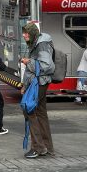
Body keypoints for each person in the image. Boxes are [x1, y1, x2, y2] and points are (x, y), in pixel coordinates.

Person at [20, 22, 55, 159]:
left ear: (33, 33)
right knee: (40, 113)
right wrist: (24, 85)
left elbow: (47, 66)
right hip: (39, 82)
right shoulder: (37, 43)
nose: (24, 35)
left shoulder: (41, 45)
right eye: (24, 32)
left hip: (39, 82)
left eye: (26, 33)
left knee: (29, 110)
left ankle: (38, 148)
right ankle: (47, 147)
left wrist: (28, 61)